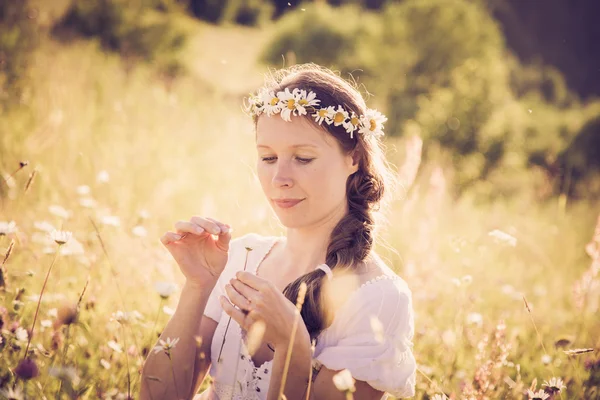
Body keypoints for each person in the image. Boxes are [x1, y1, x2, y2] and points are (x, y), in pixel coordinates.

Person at [140, 64, 416, 400]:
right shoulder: (239, 259)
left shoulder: (379, 298)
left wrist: (292, 346)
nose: (279, 178)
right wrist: (197, 287)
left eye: (302, 158)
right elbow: (159, 396)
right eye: (268, 158)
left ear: (354, 158)